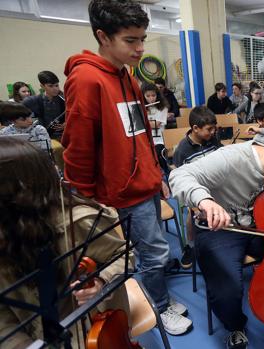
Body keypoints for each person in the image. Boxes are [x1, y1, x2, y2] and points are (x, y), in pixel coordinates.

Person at [61, 0, 191, 335]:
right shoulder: (86, 79)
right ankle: (158, 307)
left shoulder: (128, 78)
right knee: (152, 255)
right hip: (122, 192)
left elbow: (143, 135)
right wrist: (87, 198)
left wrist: (157, 176)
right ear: (103, 36)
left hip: (145, 183)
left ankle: (156, 298)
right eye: (130, 40)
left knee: (154, 253)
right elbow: (78, 147)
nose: (140, 48)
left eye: (143, 38)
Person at [169, 131, 264, 349]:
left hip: (263, 226)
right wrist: (205, 201)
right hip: (222, 227)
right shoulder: (233, 158)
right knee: (227, 287)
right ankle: (235, 326)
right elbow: (179, 176)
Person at [0, 138, 131, 349]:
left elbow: (123, 254)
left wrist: (101, 281)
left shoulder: (77, 220)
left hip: (86, 330)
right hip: (30, 336)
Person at [172, 105, 221, 270]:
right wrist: (195, 203)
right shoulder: (182, 150)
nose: (213, 132)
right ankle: (191, 246)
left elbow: (222, 159)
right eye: (209, 129)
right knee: (192, 214)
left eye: (214, 128)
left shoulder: (212, 140)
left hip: (216, 185)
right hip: (194, 191)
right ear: (195, 128)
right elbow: (180, 179)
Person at [22, 71, 65, 139]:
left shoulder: (64, 99)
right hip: (41, 137)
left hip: (63, 135)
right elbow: (22, 120)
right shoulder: (31, 101)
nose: (55, 89)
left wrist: (67, 124)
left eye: (57, 85)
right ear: (42, 86)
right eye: (50, 86)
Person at [142, 82, 169, 173]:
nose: (151, 98)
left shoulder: (163, 107)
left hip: (159, 141)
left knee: (157, 156)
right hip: (145, 141)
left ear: (157, 95)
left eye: (153, 95)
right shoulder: (141, 108)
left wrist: (142, 119)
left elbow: (155, 125)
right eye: (148, 96)